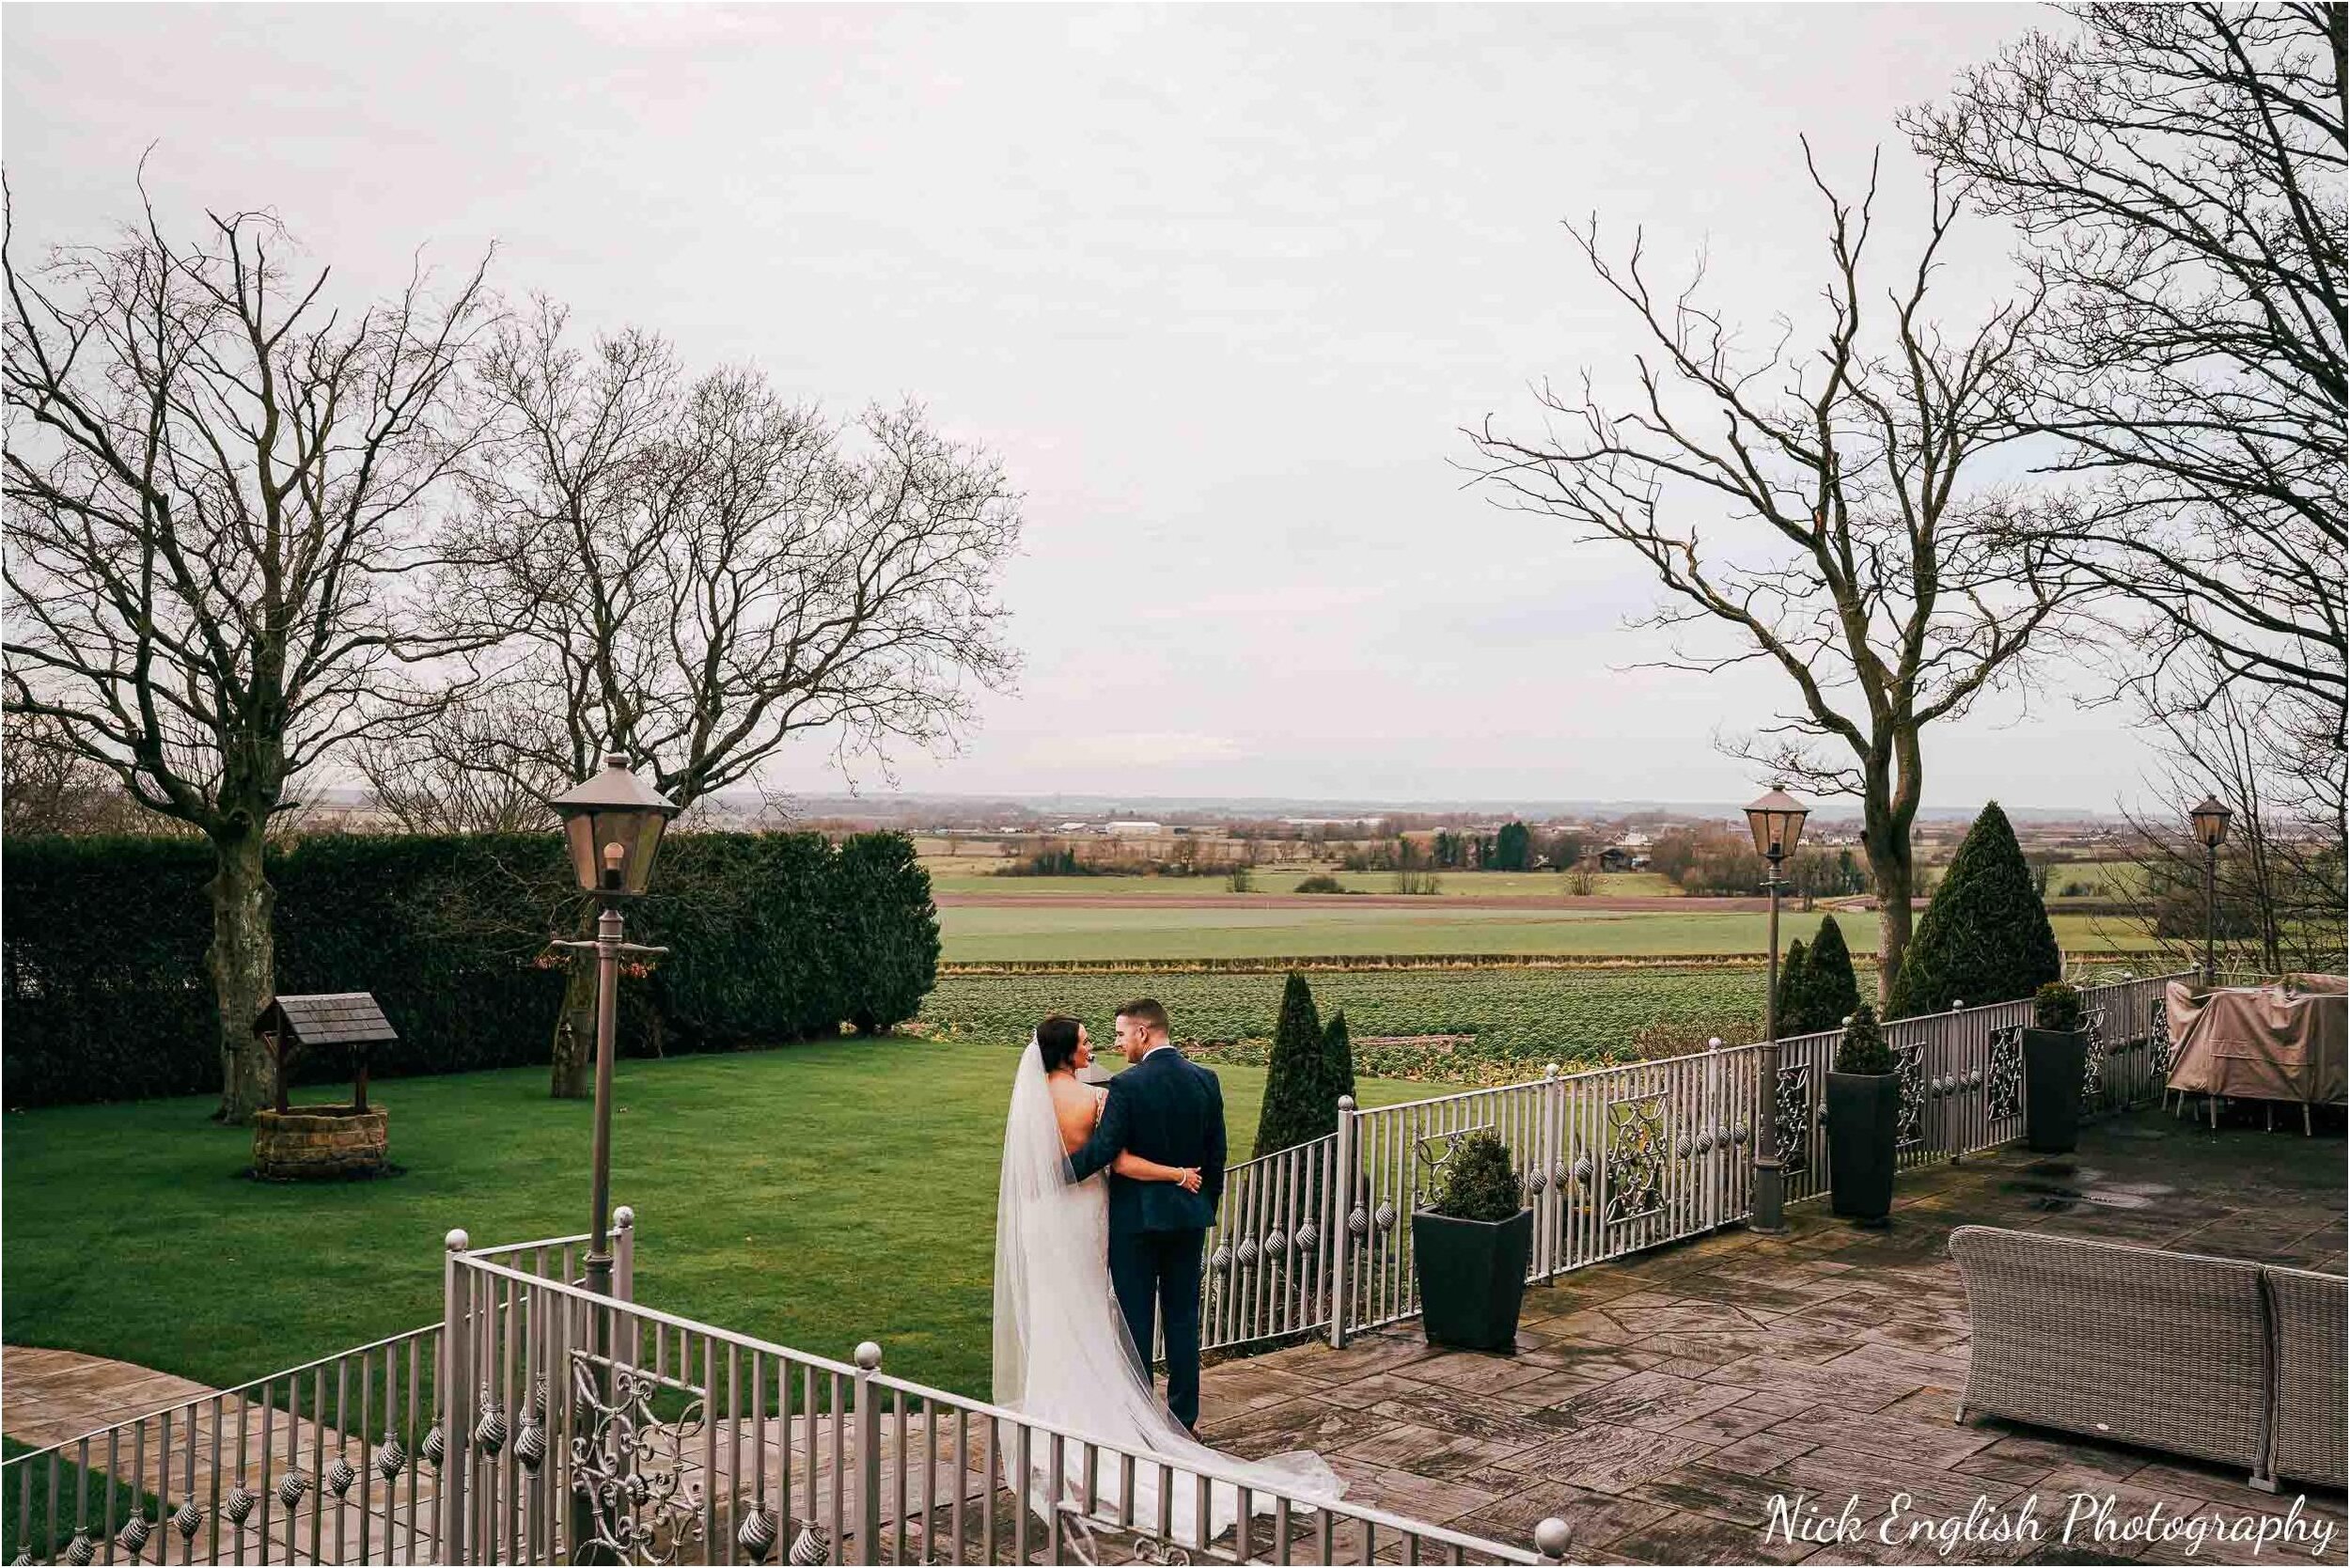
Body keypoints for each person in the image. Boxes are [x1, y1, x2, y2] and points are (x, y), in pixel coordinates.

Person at [992, 1005, 1340, 1545]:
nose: (1115, 1044)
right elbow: (1217, 1153)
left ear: (1144, 1031)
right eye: (1098, 1039)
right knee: (1183, 1319)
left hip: (1132, 1225)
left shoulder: (1123, 1088)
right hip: (1187, 1219)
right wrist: (1205, 1201)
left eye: (1121, 1034)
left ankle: (1137, 1423)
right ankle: (1183, 1421)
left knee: (1132, 1323)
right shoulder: (1206, 1079)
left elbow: (1109, 1154)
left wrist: (1046, 1180)